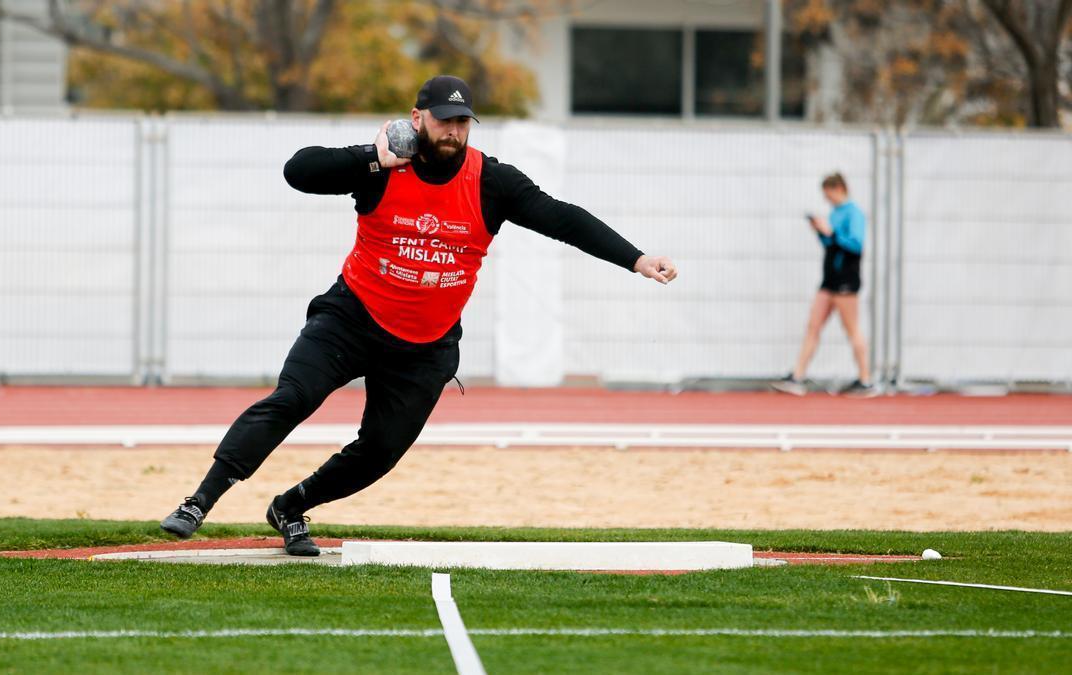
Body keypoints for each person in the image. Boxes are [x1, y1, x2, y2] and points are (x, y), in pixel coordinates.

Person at [160, 75, 677, 555]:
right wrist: (373, 159)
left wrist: (635, 259)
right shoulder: (383, 169)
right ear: (417, 118)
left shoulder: (490, 181)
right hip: (351, 319)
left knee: (382, 449)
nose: (452, 131)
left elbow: (562, 218)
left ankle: (290, 507)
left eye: (461, 123)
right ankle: (199, 501)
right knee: (292, 398)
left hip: (425, 346)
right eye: (442, 120)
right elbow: (299, 170)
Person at [772, 172, 876, 397]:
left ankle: (865, 379)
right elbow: (832, 243)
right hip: (829, 280)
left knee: (852, 329)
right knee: (813, 326)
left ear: (839, 188)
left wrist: (832, 232)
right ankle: (797, 376)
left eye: (829, 195)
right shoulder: (836, 212)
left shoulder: (854, 213)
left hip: (846, 280)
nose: (828, 200)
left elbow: (856, 245)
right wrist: (821, 233)